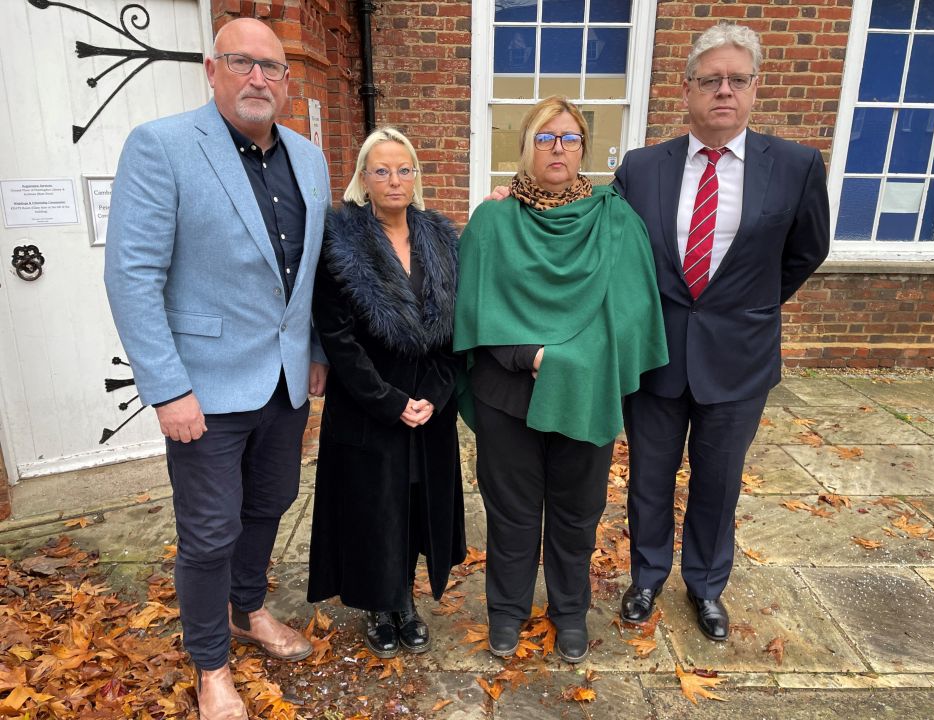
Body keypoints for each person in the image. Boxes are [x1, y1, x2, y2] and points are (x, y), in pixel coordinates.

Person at [104, 18, 330, 719]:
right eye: (242, 63)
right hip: (202, 387)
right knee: (208, 532)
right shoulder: (163, 147)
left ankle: (247, 608)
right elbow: (132, 274)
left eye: (272, 66)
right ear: (212, 69)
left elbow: (311, 272)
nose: (258, 78)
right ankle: (211, 668)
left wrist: (316, 351)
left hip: (286, 381)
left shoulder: (308, 158)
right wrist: (167, 388)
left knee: (270, 505)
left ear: (288, 82)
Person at [614, 23, 830, 641]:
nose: (725, 91)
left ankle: (706, 586)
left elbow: (806, 250)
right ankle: (648, 575)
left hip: (739, 359)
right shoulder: (642, 167)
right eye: (711, 80)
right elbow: (617, 251)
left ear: (756, 87)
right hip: (656, 355)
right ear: (687, 91)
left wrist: (749, 305)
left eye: (738, 79)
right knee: (649, 479)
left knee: (718, 481)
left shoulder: (793, 166)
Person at [455, 96, 668, 664]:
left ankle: (569, 611)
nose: (557, 148)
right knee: (512, 509)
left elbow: (631, 311)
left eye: (569, 138)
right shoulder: (494, 219)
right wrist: (529, 354)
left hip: (586, 389)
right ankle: (506, 610)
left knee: (577, 511)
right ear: (525, 147)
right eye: (545, 137)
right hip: (509, 390)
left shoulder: (615, 218)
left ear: (584, 149)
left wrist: (577, 359)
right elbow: (474, 308)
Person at [306, 128, 465, 659]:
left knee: (418, 504)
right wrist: (390, 401)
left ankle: (406, 602)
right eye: (381, 170)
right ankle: (380, 603)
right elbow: (338, 336)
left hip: (429, 404)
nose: (394, 180)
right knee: (374, 508)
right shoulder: (340, 241)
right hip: (367, 403)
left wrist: (434, 398)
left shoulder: (441, 238)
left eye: (404, 170)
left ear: (416, 177)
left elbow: (456, 328)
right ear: (363, 180)